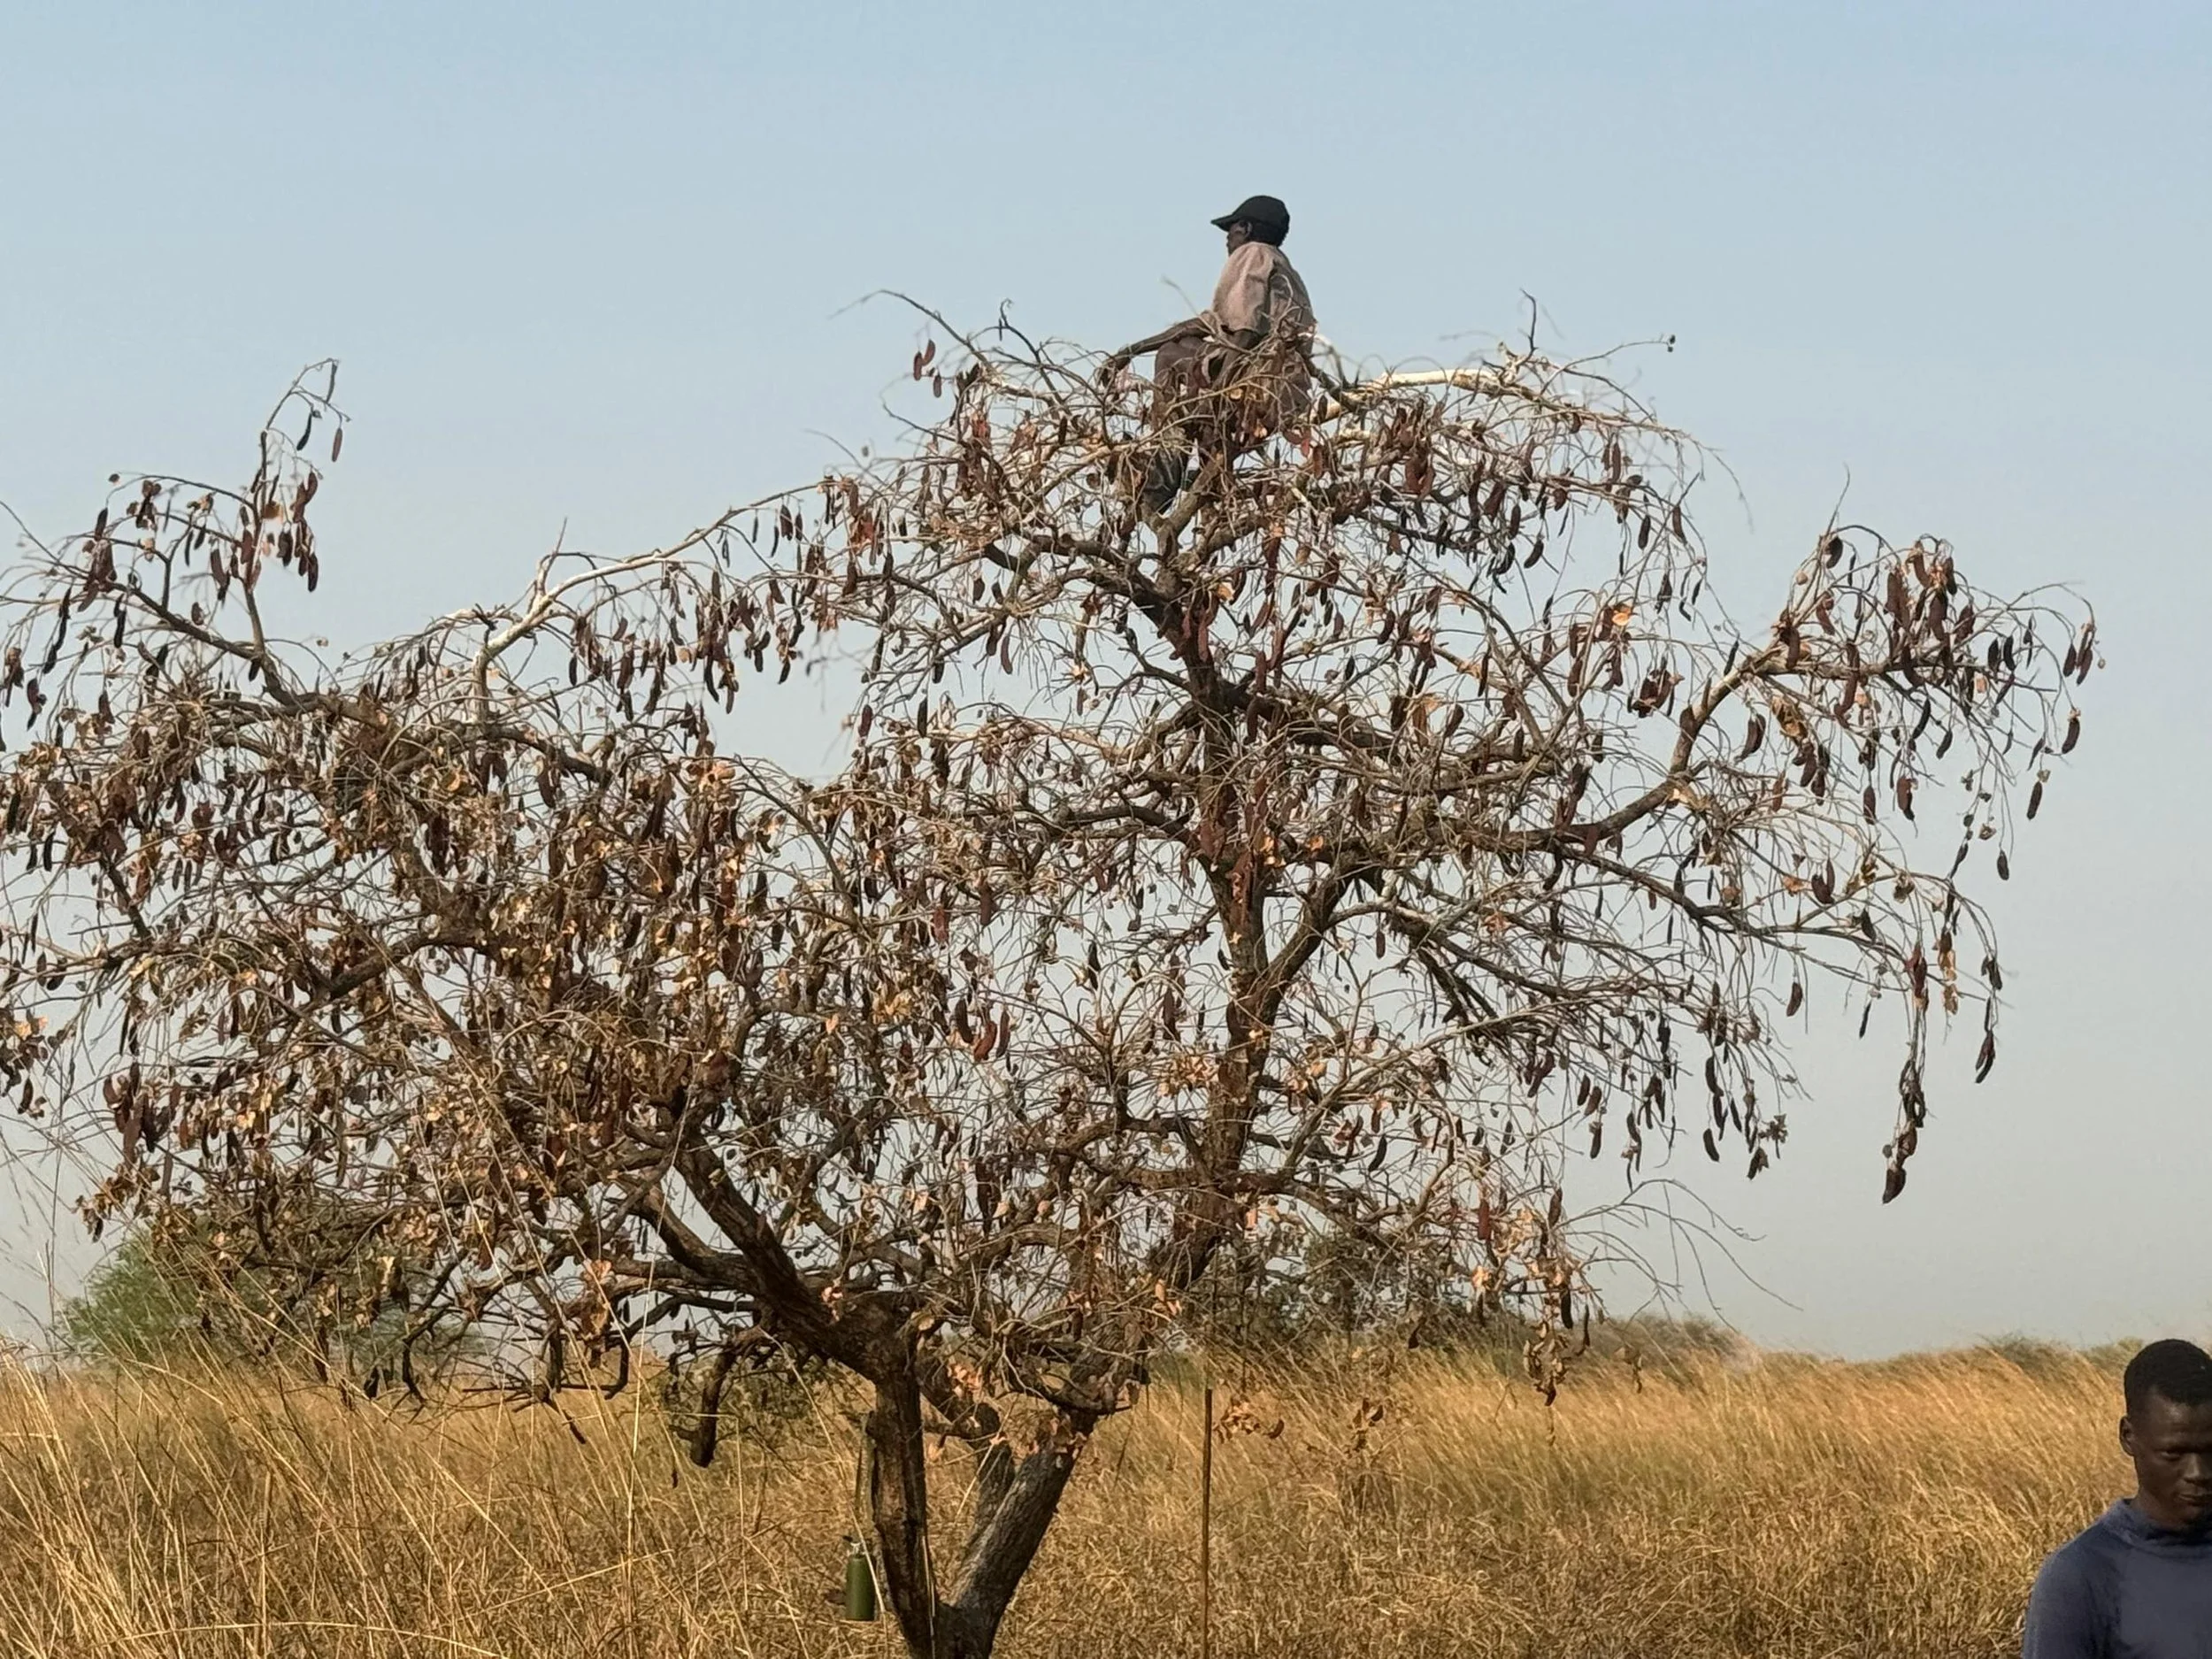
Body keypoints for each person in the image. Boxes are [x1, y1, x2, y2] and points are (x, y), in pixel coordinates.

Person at [1101, 194, 1317, 513]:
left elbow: (1246, 329)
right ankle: (1206, 474)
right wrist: (1131, 351)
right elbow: (1205, 324)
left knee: (1173, 357)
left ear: (1246, 227)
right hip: (1283, 388)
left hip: (1262, 381)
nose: (1227, 239)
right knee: (1183, 355)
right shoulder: (1283, 267)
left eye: (1231, 230)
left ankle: (1166, 470)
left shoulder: (1252, 254)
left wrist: (1220, 390)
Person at [2023, 1338, 2212, 1656]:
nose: (2198, 1472)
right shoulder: (2082, 1576)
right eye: (2173, 1453)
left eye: (2210, 1450)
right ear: (2129, 1436)